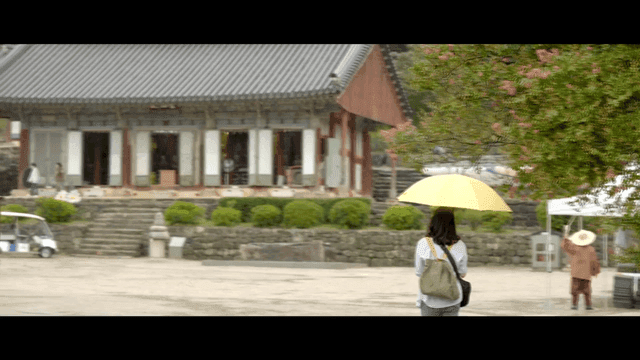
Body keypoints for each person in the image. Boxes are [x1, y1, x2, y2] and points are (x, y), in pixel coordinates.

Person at [415, 207, 468, 316]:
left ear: (433, 223)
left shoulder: (423, 243)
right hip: (452, 298)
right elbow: (462, 273)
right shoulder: (460, 245)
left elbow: (419, 272)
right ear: (452, 225)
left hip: (429, 298)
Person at [561, 228, 601, 310]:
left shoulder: (575, 247)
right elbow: (594, 261)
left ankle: (574, 304)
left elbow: (565, 246)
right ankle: (588, 305)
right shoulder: (591, 249)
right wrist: (595, 271)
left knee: (575, 290)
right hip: (586, 273)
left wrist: (566, 238)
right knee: (587, 290)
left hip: (576, 272)